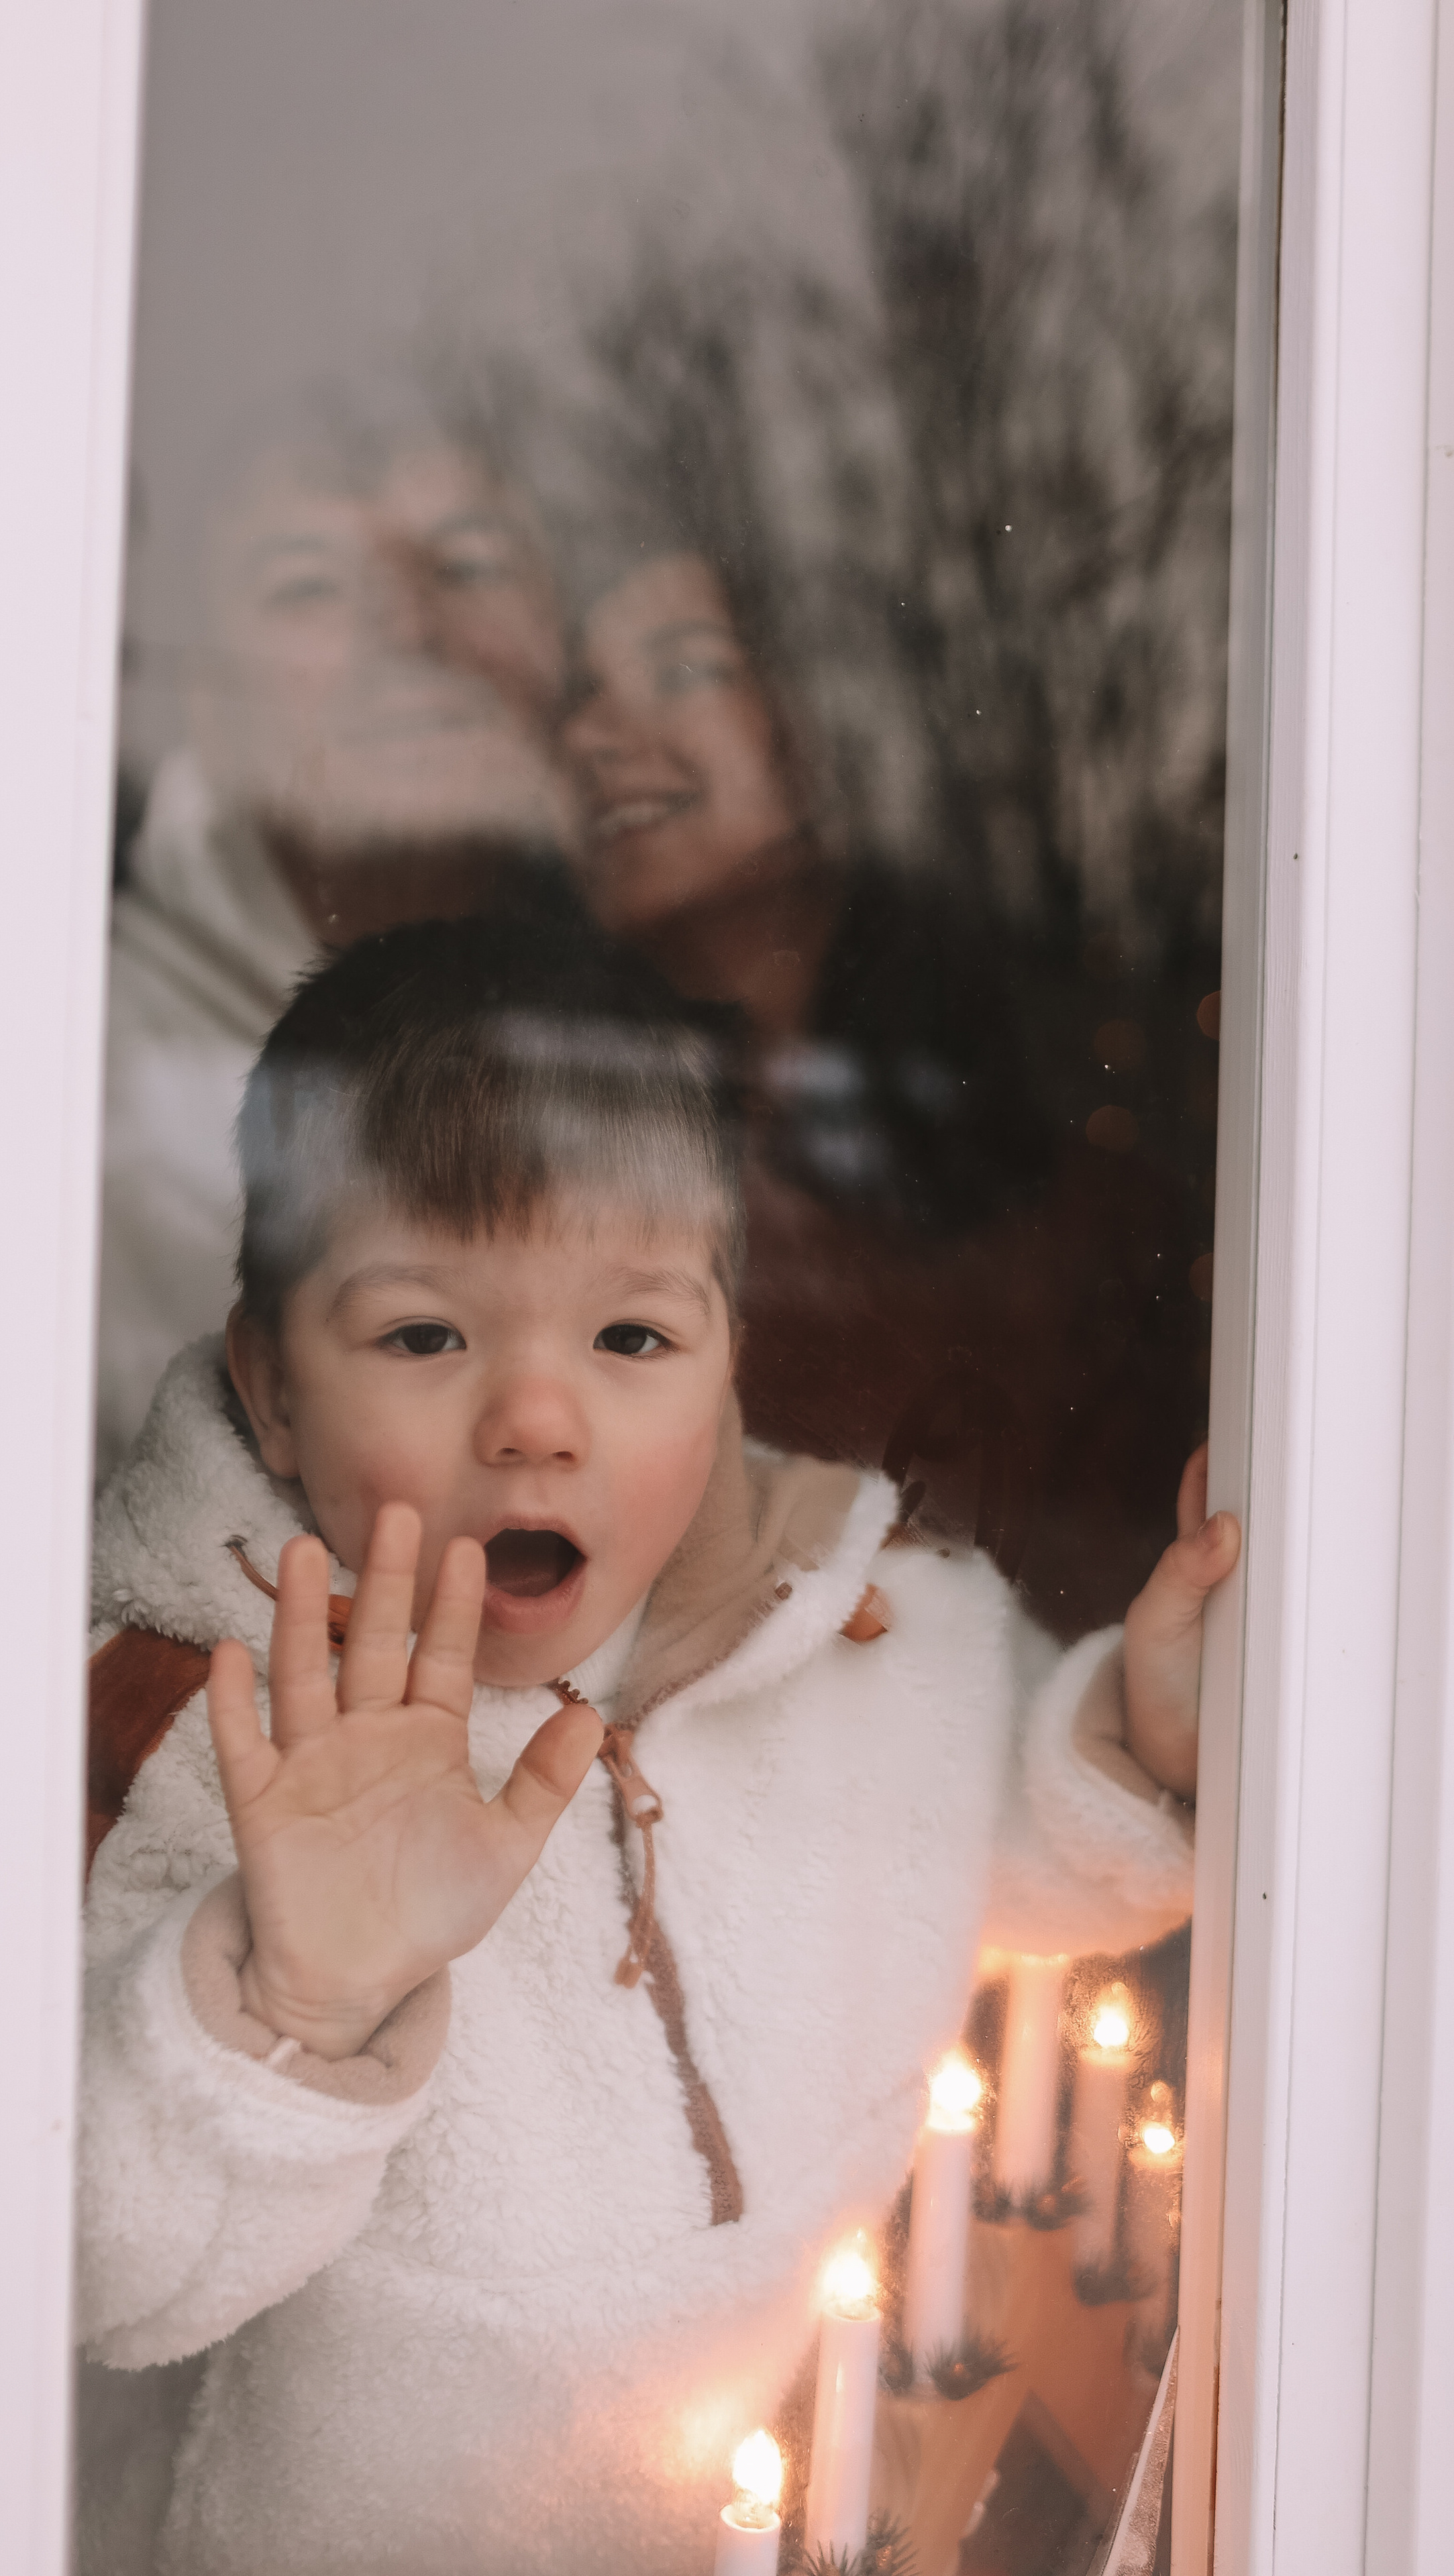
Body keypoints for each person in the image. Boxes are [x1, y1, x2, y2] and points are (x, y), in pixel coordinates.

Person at [76, 916, 1237, 2575]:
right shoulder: (193, 1726)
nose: (536, 1417)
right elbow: (75, 2272)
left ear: (725, 1368)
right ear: (270, 1389)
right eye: (425, 1336)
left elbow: (999, 1841)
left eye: (629, 1340)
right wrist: (289, 2003)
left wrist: (1135, 1741)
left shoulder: (843, 1623)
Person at [562, 545, 1216, 1637]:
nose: (593, 737)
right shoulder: (529, 1160)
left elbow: (1115, 1654)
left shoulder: (1097, 1235)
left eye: (683, 670)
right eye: (578, 700)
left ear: (826, 733)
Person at [97, 407, 578, 1482]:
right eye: (308, 585)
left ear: (554, 650)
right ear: (210, 710)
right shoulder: (80, 1098)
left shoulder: (673, 1038)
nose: (409, 622)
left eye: (470, 561)